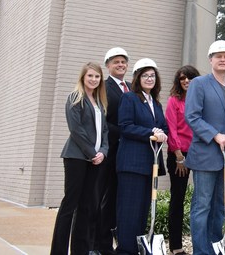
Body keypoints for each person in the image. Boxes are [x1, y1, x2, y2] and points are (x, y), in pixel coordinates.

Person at [185, 40, 225, 255]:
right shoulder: (199, 83)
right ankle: (201, 251)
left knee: (220, 206)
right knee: (202, 207)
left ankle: (216, 247)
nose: (223, 59)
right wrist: (216, 135)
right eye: (218, 56)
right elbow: (192, 116)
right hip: (205, 155)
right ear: (211, 59)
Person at [50, 62, 109, 255]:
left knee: (86, 207)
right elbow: (76, 130)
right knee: (70, 205)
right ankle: (58, 251)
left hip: (96, 160)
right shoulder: (75, 97)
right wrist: (93, 154)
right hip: (77, 158)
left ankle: (80, 251)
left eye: (97, 76)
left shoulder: (100, 102)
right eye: (90, 76)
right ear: (83, 77)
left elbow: (105, 132)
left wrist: (103, 152)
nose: (93, 79)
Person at [115, 58, 168, 255]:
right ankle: (125, 250)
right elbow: (125, 126)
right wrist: (151, 133)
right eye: (145, 75)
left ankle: (136, 249)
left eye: (152, 75)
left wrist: (161, 133)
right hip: (131, 164)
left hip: (149, 164)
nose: (149, 79)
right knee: (129, 211)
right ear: (137, 78)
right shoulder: (130, 98)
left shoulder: (156, 103)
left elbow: (163, 127)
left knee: (143, 210)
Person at [96, 46, 130, 255]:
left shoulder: (131, 87)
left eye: (123, 62)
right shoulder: (105, 88)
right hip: (110, 152)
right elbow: (104, 121)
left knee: (118, 198)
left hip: (126, 154)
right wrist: (127, 131)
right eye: (116, 62)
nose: (120, 65)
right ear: (108, 65)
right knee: (104, 200)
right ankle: (101, 244)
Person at [166, 65, 200, 255]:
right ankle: (176, 247)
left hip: (199, 153)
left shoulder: (200, 100)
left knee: (201, 200)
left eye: (190, 78)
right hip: (179, 155)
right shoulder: (174, 101)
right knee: (177, 199)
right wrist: (179, 156)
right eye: (182, 79)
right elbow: (171, 128)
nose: (186, 81)